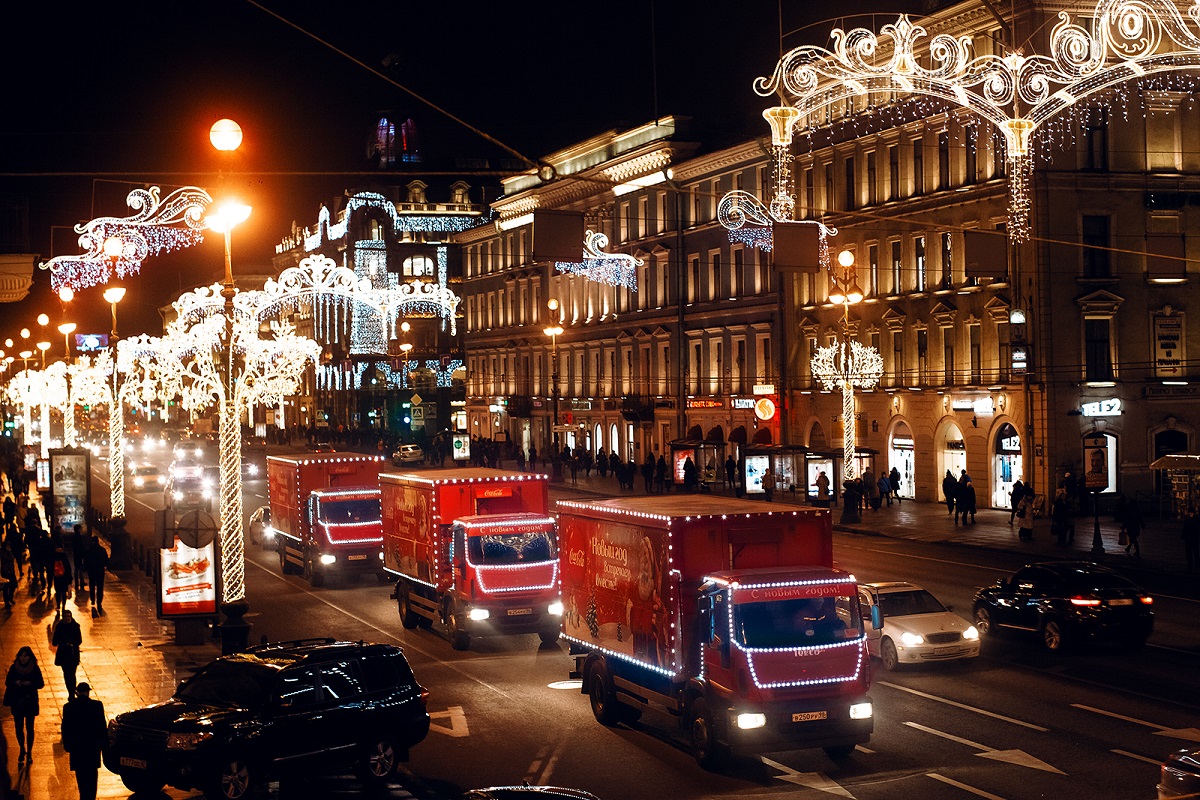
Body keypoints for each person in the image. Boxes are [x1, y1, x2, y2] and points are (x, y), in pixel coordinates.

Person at [61, 682, 107, 800]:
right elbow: (102, 727)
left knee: (81, 781)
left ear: (77, 693)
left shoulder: (68, 707)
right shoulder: (97, 706)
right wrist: (103, 745)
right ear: (88, 692)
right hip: (92, 749)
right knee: (92, 781)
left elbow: (65, 728)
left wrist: (68, 746)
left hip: (77, 750)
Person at [4, 646, 44, 763]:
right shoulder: (14, 668)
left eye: (25, 656)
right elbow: (8, 682)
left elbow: (41, 683)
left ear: (29, 656)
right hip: (17, 702)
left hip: (30, 701)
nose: (23, 658)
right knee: (18, 727)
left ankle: (29, 752)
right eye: (21, 655)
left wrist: (30, 683)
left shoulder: (34, 668)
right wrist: (15, 682)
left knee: (30, 728)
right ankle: (22, 748)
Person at [52, 609, 82, 699]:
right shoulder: (59, 627)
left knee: (72, 674)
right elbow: (54, 642)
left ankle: (72, 692)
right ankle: (71, 691)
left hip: (73, 654)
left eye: (69, 616)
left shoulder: (76, 626)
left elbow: (79, 640)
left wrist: (72, 643)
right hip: (64, 655)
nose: (68, 618)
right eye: (66, 616)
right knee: (67, 674)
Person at [84, 535, 109, 616]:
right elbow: (106, 561)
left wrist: (86, 568)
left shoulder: (88, 551)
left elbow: (86, 561)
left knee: (92, 584)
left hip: (91, 570)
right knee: (100, 586)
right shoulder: (102, 550)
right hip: (100, 571)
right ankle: (99, 601)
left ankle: (92, 599)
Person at [50, 545, 73, 615]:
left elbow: (51, 569)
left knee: (58, 592)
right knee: (63, 593)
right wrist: (70, 580)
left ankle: (58, 605)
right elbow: (69, 570)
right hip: (64, 579)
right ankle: (63, 605)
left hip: (57, 579)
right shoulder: (65, 560)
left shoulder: (54, 560)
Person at [1182, 506, 1200, 571]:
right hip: (1189, 539)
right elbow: (1184, 529)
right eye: (1190, 513)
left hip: (1194, 538)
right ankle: (1191, 565)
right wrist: (1183, 536)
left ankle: (1196, 565)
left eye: (1191, 513)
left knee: (1195, 552)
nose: (1190, 514)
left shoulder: (1195, 520)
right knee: (1189, 553)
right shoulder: (1188, 520)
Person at [0, 542, 15, 611]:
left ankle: (10, 598)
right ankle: (7, 602)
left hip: (11, 571)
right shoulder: (3, 552)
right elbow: (8, 558)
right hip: (5, 572)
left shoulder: (9, 551)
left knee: (13, 585)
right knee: (6, 588)